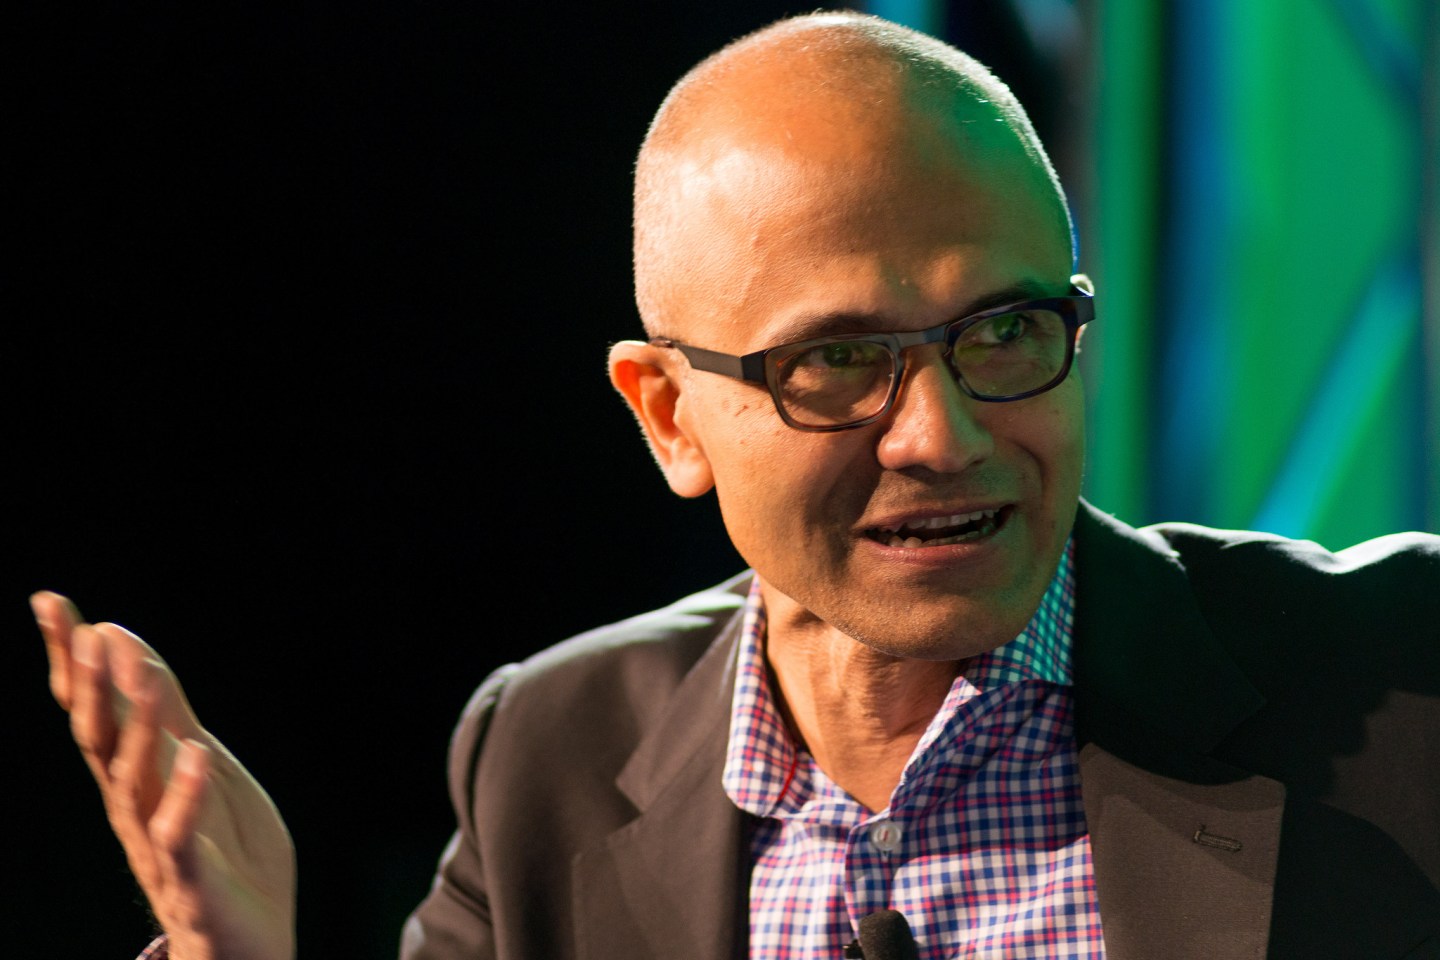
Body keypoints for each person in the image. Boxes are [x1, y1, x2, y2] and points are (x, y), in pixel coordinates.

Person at [34, 9, 1440, 960]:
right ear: (668, 415)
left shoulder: (1400, 682)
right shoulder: (552, 758)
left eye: (1004, 332)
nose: (942, 435)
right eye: (839, 364)